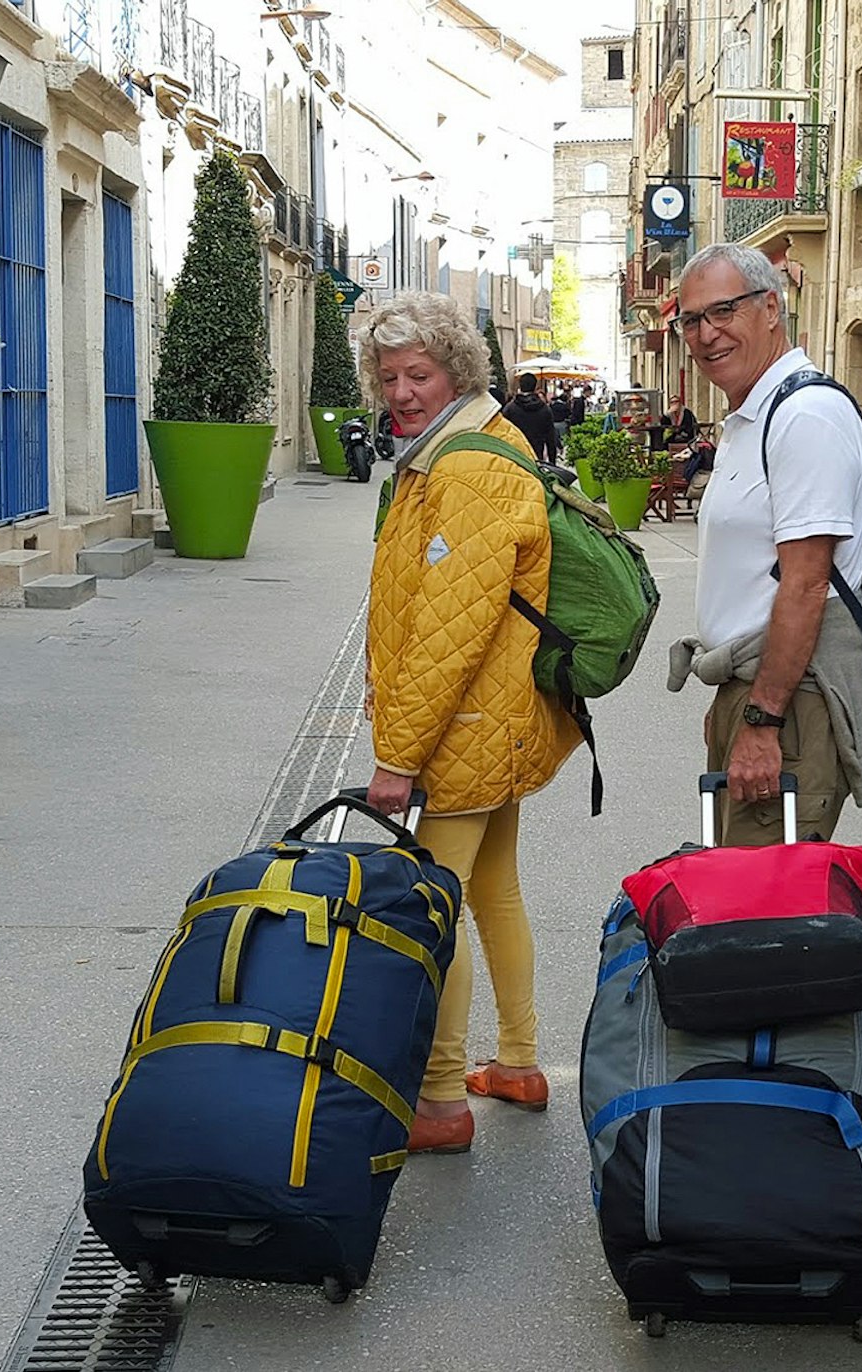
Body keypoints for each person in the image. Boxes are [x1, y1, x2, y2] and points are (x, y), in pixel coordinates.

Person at [357, 291, 581, 1154]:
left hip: (464, 725)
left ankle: (442, 1096)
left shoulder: (467, 467)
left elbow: (450, 631)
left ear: (456, 369)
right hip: (492, 718)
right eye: (389, 377)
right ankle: (519, 1061)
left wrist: (398, 756)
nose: (402, 391)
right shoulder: (462, 446)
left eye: (419, 372)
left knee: (430, 909)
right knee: (493, 887)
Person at [664, 243, 862, 844]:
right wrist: (733, 707)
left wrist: (762, 719)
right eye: (691, 319)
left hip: (793, 704)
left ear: (771, 307)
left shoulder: (804, 416)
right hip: (759, 692)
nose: (704, 333)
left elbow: (806, 583)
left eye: (722, 311)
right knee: (739, 904)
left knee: (762, 918)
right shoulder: (755, 415)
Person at [501, 371, 559, 462]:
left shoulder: (510, 409)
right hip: (536, 457)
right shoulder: (545, 409)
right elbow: (551, 439)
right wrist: (552, 462)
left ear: (520, 386)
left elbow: (502, 434)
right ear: (535, 387)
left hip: (515, 456)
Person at [549, 385, 572, 456]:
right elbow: (568, 414)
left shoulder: (553, 405)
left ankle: (558, 452)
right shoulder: (565, 406)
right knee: (563, 439)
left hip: (554, 423)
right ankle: (564, 453)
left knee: (556, 439)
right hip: (562, 423)